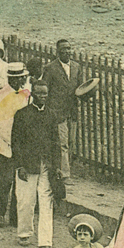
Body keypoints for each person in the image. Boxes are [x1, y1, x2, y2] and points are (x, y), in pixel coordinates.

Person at [11, 80, 59, 248]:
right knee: (25, 200)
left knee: (46, 202)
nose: (43, 97)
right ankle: (24, 233)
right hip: (27, 163)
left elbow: (56, 142)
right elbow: (16, 142)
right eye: (39, 93)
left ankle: (45, 242)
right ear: (32, 94)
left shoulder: (51, 115)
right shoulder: (22, 114)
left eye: (45, 94)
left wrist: (57, 166)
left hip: (46, 164)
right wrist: (20, 165)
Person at [0, 62, 30, 227]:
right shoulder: (0, 95)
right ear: (12, 78)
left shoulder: (24, 95)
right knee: (6, 179)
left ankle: (15, 216)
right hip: (4, 142)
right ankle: (0, 212)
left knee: (18, 181)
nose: (21, 81)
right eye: (18, 78)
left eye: (22, 78)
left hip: (19, 144)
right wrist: (12, 140)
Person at [42, 39, 82, 180]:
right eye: (63, 49)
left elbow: (80, 87)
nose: (66, 51)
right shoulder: (50, 68)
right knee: (62, 143)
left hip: (72, 111)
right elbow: (45, 89)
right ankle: (65, 174)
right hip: (57, 111)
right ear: (57, 52)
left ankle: (63, 168)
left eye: (69, 48)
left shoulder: (77, 67)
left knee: (71, 142)